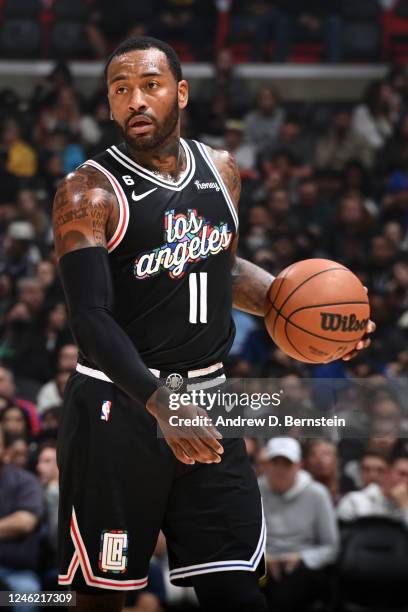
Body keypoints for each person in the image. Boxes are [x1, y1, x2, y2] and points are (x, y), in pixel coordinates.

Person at [53, 36, 374, 612]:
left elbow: (220, 269)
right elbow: (90, 317)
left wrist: (307, 312)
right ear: (107, 106)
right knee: (97, 599)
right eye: (120, 91)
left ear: (180, 92)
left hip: (211, 396)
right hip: (119, 406)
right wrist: (158, 402)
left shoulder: (222, 171)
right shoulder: (87, 190)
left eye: (149, 85)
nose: (135, 101)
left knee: (236, 593)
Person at [259, 437, 339, 612]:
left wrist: (302, 558)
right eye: (274, 462)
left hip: (303, 566)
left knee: (291, 586)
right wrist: (265, 559)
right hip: (264, 566)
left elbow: (331, 547)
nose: (280, 470)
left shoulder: (317, 494)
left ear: (299, 466)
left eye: (286, 463)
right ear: (266, 465)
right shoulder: (254, 492)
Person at [0, 424, 44, 612]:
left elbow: (24, 522)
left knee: (28, 592)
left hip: (14, 571)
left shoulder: (25, 481)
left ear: (7, 451)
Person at [337, 454, 408, 526]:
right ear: (387, 473)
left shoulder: (406, 505)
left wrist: (405, 506)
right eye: (403, 474)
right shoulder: (354, 501)